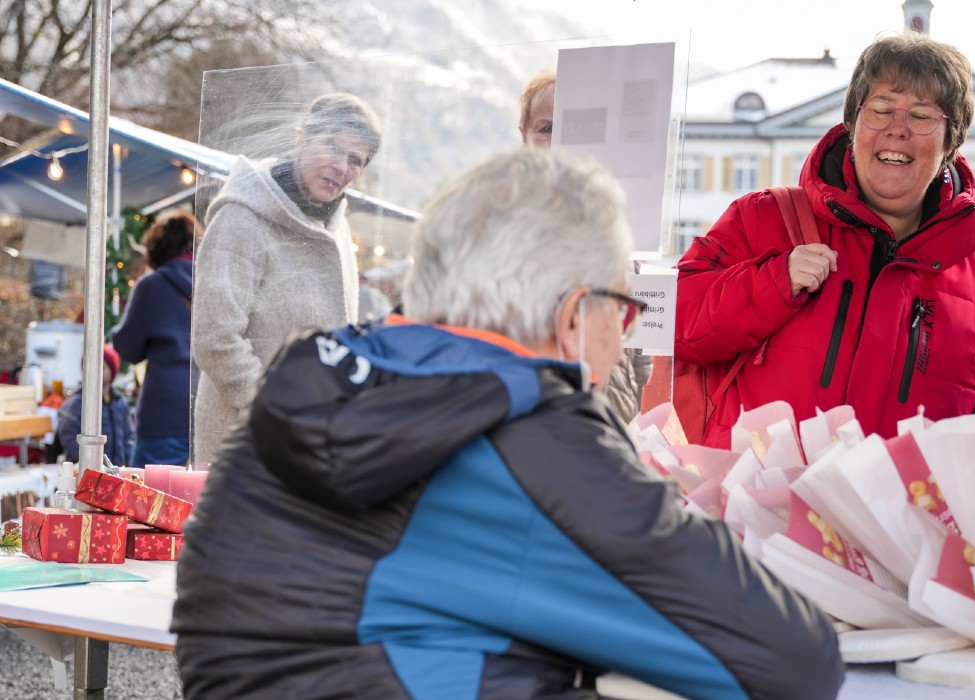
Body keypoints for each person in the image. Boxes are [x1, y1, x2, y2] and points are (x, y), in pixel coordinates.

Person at [172, 149, 844, 700]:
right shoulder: (533, 433)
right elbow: (793, 663)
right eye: (625, 308)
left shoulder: (316, 381)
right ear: (574, 316)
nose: (628, 335)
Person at [675, 33, 975, 458]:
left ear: (951, 142)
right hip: (753, 517)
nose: (898, 129)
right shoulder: (762, 220)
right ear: (853, 126)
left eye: (922, 116)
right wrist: (772, 283)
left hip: (909, 523)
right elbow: (672, 323)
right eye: (880, 109)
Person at [191, 93, 381, 463]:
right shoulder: (242, 216)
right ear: (300, 139)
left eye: (355, 160)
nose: (341, 166)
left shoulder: (337, 228)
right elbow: (215, 338)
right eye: (333, 147)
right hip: (248, 449)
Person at [520, 70, 652, 423]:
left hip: (610, 422)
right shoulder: (503, 222)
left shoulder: (624, 225)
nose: (560, 140)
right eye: (547, 129)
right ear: (525, 137)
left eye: (571, 128)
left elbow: (641, 341)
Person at [111, 210, 198, 466]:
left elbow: (128, 348)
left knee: (149, 500)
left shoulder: (151, 286)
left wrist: (116, 333)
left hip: (164, 413)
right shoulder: (213, 282)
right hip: (207, 410)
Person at [56, 345, 134, 466]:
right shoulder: (76, 404)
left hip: (117, 473)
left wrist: (127, 463)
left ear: (112, 371)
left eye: (102, 367)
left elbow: (129, 438)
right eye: (91, 367)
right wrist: (91, 464)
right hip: (88, 474)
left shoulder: (120, 403)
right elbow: (69, 438)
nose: (96, 372)